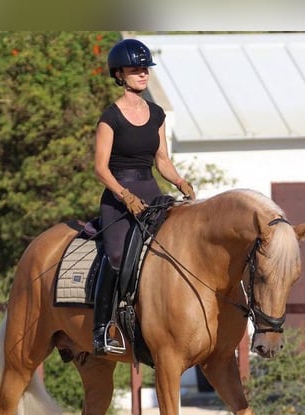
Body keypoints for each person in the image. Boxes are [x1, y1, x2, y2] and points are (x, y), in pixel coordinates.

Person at [92, 38, 195, 356]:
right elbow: (100, 168)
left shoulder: (156, 113)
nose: (142, 74)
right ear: (119, 74)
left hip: (151, 190)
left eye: (145, 69)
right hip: (118, 193)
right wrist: (124, 196)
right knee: (118, 256)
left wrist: (179, 181)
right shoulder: (111, 117)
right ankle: (103, 327)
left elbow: (161, 159)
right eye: (135, 69)